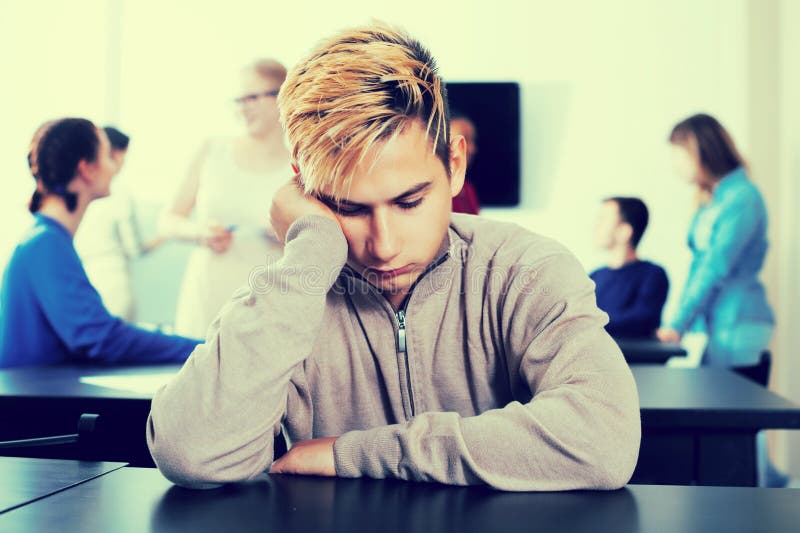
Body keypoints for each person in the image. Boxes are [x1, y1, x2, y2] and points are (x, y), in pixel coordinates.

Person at [147, 23, 640, 491]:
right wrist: (313, 242)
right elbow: (191, 452)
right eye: (347, 208)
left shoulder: (526, 270)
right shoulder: (292, 290)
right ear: (304, 190)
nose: (383, 246)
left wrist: (358, 453)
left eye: (409, 202)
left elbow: (604, 439)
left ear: (455, 165)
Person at [0, 118, 201, 368]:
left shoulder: (47, 239)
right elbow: (99, 338)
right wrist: (199, 349)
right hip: (33, 403)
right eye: (107, 156)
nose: (113, 167)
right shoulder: (45, 244)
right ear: (86, 169)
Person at [657, 113, 785, 487]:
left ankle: (768, 494)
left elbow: (715, 265)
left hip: (741, 321)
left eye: (680, 155)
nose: (675, 166)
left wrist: (676, 323)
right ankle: (768, 488)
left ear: (702, 151)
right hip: (720, 323)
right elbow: (700, 266)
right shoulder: (716, 197)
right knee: (731, 418)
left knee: (737, 419)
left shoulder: (742, 197)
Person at [159, 59, 289, 338]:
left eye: (252, 97)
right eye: (237, 99)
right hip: (207, 298)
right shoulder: (212, 151)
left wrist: (287, 232)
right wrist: (199, 233)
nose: (243, 107)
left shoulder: (301, 165)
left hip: (269, 304)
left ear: (282, 96)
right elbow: (168, 220)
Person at [75, 126, 152, 321]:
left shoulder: (79, 191)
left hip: (83, 280)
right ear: (115, 154)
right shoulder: (120, 194)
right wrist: (165, 235)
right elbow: (134, 248)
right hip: (114, 282)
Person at [590, 197, 668, 338]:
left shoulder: (652, 275)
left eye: (603, 220)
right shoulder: (594, 276)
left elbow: (642, 320)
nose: (596, 226)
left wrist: (589, 322)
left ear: (624, 231)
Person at [449, 111, 480, 214]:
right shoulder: (436, 191)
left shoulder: (468, 189)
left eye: (473, 140)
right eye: (465, 138)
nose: (472, 149)